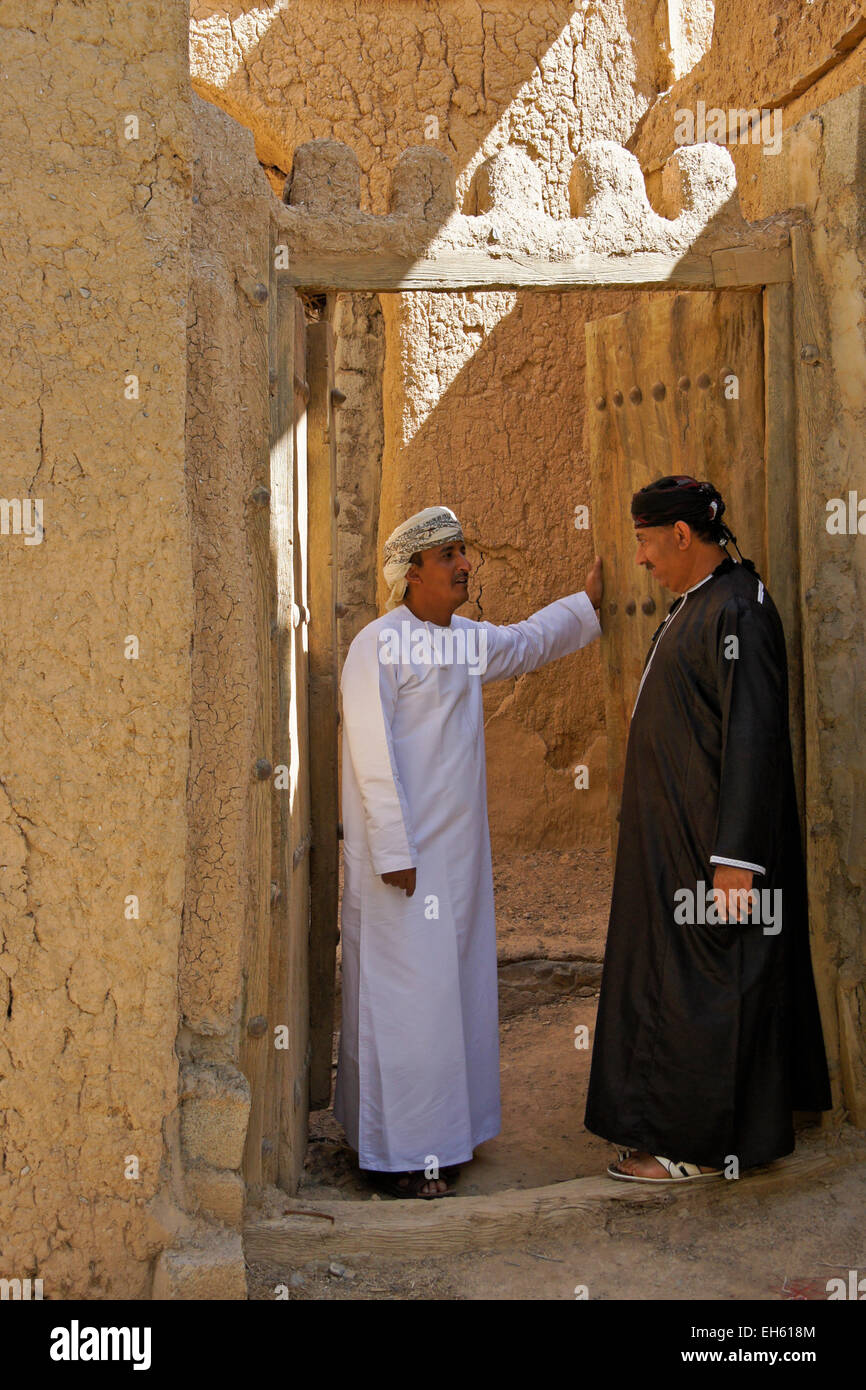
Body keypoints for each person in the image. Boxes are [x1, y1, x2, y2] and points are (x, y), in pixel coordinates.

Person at [334, 505, 603, 1197]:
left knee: (452, 997)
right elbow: (370, 754)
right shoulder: (378, 644)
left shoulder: (459, 642)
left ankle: (447, 1139)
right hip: (402, 868)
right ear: (412, 571)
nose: (465, 566)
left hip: (455, 866)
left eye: (464, 552)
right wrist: (394, 848)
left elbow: (526, 642)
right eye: (450, 554)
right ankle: (399, 1157)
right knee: (406, 1004)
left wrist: (589, 603)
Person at [584, 475, 831, 1183]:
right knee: (669, 984)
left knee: (708, 988)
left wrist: (735, 864)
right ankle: (660, 1128)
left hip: (713, 859)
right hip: (675, 849)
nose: (640, 560)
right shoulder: (701, 604)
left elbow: (754, 741)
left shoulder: (741, 612)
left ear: (683, 536)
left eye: (645, 542)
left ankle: (694, 1149)